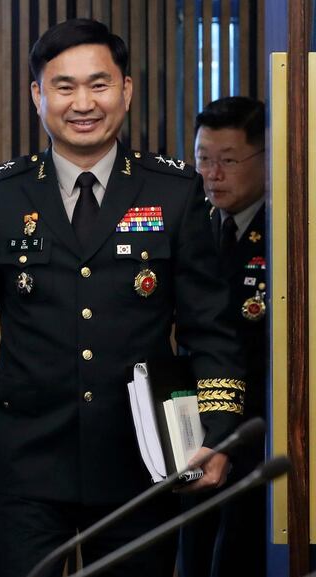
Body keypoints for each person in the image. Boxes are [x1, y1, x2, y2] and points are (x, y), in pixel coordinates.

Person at [0, 18, 247, 577]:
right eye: (63, 86)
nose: (83, 102)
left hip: (141, 463)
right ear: (38, 95)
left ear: (126, 90)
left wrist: (219, 429)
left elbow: (211, 327)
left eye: (99, 84)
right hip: (26, 465)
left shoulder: (173, 193)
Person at [178, 96, 267, 577]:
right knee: (194, 557)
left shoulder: (283, 233)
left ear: (265, 156)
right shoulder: (195, 228)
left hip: (260, 432)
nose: (212, 174)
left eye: (228, 161)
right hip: (198, 432)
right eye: (203, 159)